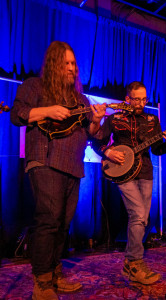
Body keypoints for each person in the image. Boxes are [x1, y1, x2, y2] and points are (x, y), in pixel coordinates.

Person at [10, 41, 106, 299]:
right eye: (66, 63)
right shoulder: (35, 86)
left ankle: (54, 272)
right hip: (45, 158)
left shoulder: (80, 99)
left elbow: (91, 134)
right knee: (48, 220)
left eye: (74, 64)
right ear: (53, 63)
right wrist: (47, 110)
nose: (72, 68)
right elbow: (17, 114)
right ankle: (41, 282)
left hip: (73, 165)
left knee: (63, 224)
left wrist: (97, 120)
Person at [93, 81, 166, 285]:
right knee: (137, 214)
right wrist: (108, 151)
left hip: (146, 171)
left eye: (144, 99)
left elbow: (156, 150)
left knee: (142, 219)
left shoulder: (152, 119)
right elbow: (97, 140)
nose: (140, 103)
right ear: (127, 99)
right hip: (123, 171)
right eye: (136, 99)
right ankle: (133, 262)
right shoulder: (115, 117)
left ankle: (131, 263)